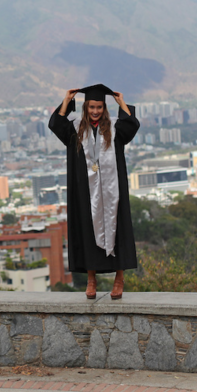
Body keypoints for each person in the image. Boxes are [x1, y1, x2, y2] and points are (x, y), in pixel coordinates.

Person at [48, 84, 140, 300]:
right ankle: (91, 280)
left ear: (104, 107)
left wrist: (122, 103)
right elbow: (56, 124)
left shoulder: (115, 128)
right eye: (91, 107)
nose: (95, 111)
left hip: (112, 189)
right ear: (85, 107)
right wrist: (66, 100)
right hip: (85, 190)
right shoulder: (75, 128)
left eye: (99, 107)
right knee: (88, 231)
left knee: (118, 228)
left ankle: (119, 279)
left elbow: (132, 125)